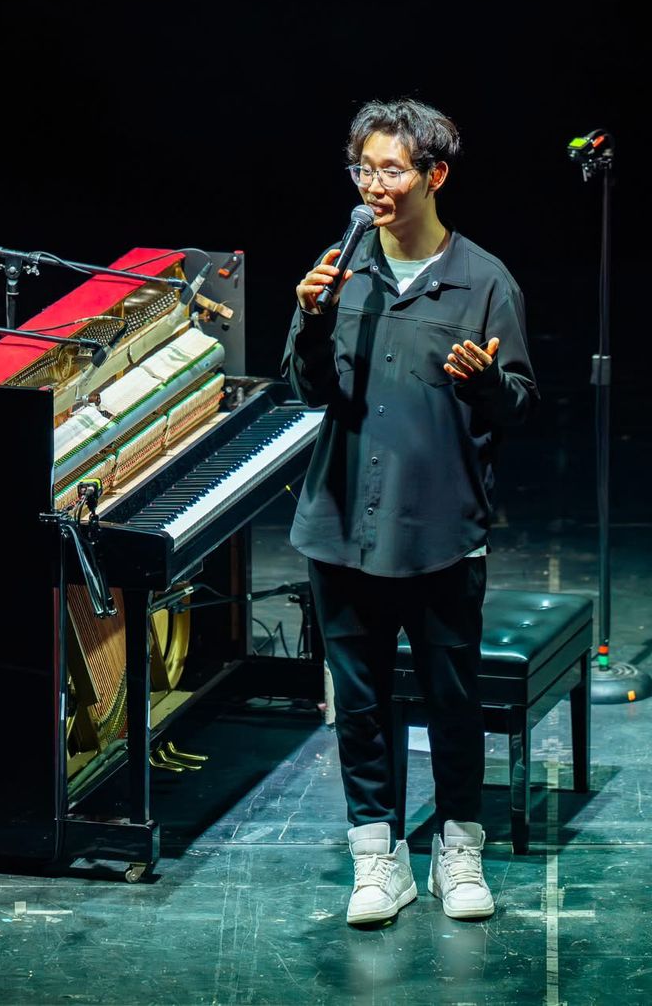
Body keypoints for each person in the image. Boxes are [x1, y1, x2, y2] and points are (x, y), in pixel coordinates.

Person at [281, 98, 538, 924]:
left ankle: (458, 851)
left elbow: (521, 404)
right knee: (359, 706)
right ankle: (377, 857)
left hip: (439, 531)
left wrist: (486, 381)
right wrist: (310, 319)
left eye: (391, 169)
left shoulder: (484, 281)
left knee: (451, 701)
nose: (374, 185)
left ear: (435, 175)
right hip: (341, 525)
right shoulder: (341, 270)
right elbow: (307, 389)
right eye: (363, 169)